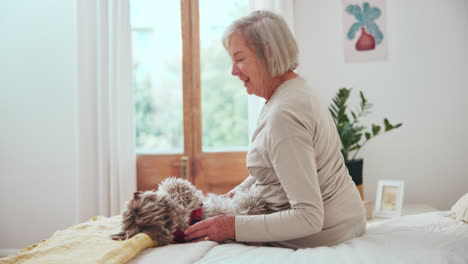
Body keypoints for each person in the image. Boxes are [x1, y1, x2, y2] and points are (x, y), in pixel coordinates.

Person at [184, 10, 366, 249]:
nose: (233, 71)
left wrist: (230, 226)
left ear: (268, 54)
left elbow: (308, 217)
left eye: (239, 59)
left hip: (328, 233)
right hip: (344, 223)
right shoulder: (290, 92)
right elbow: (274, 166)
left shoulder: (285, 114)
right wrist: (234, 194)